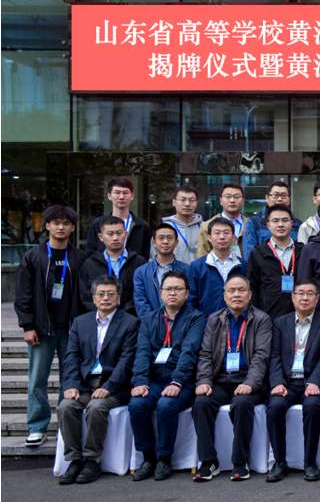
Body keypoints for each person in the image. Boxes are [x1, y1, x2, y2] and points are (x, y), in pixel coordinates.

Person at [57, 275, 140, 484]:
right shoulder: (80, 322)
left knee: (96, 407)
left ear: (119, 298)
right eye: (101, 294)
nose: (105, 298)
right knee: (66, 406)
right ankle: (74, 459)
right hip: (86, 385)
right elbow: (71, 356)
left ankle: (92, 460)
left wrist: (109, 387)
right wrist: (71, 385)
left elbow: (127, 361)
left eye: (111, 294)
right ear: (93, 298)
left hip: (115, 386)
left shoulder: (131, 323)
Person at [15, 205, 86, 447]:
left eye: (66, 223)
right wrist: (27, 325)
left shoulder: (79, 257)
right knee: (37, 379)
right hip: (41, 328)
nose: (61, 227)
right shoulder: (33, 256)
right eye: (56, 223)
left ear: (73, 227)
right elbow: (23, 294)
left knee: (70, 379)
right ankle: (37, 427)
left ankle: (66, 426)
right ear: (47, 226)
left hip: (71, 328)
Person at [192, 275, 273, 482]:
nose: (236, 294)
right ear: (224, 295)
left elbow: (261, 356)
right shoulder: (214, 319)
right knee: (201, 402)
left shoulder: (261, 319)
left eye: (241, 290)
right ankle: (208, 461)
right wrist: (204, 381)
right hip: (220, 379)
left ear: (250, 294)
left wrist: (250, 383)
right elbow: (205, 354)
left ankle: (240, 462)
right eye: (232, 290)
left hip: (247, 379)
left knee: (242, 403)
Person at [128, 270, 206, 481]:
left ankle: (164, 458)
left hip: (183, 381)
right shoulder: (149, 319)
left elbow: (189, 352)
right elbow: (142, 352)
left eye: (178, 289)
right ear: (160, 293)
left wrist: (177, 381)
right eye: (168, 289)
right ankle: (147, 458)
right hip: (154, 380)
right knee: (137, 404)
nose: (173, 293)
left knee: (165, 405)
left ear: (187, 293)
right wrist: (140, 381)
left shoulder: (196, 318)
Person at [265, 278, 320, 483]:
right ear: (293, 297)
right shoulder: (280, 323)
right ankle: (280, 461)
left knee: (313, 407)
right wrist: (278, 382)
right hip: (287, 383)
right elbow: (274, 356)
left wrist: (314, 382)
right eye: (300, 293)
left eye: (310, 293)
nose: (305, 298)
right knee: (274, 407)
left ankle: (310, 461)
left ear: (317, 298)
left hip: (313, 382)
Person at [79, 215, 147, 317]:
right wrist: (104, 314)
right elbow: (85, 295)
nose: (115, 238)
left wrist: (123, 315)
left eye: (119, 233)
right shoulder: (90, 264)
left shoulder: (139, 262)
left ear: (126, 234)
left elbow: (142, 293)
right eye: (110, 234)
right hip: (99, 320)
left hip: (131, 320)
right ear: (101, 237)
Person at [246, 204, 304, 320]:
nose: (280, 224)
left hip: (299, 317)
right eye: (275, 221)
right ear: (268, 225)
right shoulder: (258, 253)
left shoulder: (303, 251)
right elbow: (252, 287)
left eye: (285, 220)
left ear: (292, 224)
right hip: (268, 318)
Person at [186, 217, 247, 316]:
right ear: (209, 238)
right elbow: (190, 300)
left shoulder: (243, 265)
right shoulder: (197, 266)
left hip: (238, 320)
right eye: (217, 233)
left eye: (226, 233)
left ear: (233, 237)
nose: (222, 237)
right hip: (206, 321)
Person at [84, 177, 152, 258]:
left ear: (132, 196)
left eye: (125, 193)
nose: (121, 197)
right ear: (109, 196)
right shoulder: (98, 223)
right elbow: (90, 254)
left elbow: (146, 256)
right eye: (117, 193)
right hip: (105, 266)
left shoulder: (142, 226)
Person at [133, 224, 190, 318]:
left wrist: (180, 322)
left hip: (182, 322)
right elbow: (141, 303)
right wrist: (153, 323)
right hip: (151, 323)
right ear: (154, 242)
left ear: (176, 243)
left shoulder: (188, 270)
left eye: (170, 238)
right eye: (161, 238)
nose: (165, 241)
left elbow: (190, 299)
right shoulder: (141, 272)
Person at [240, 181, 301, 260]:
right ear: (267, 198)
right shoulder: (254, 223)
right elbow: (250, 256)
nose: (279, 199)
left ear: (289, 199)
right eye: (275, 195)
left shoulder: (298, 224)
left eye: (284, 195)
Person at [197, 182, 247, 259]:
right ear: (221, 201)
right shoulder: (207, 226)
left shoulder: (251, 224)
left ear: (243, 201)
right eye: (228, 197)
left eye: (236, 197)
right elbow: (202, 257)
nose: (232, 200)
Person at [159, 184, 203, 263]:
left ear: (196, 203)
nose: (187, 204)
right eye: (182, 200)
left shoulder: (205, 227)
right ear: (174, 202)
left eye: (191, 200)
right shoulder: (164, 228)